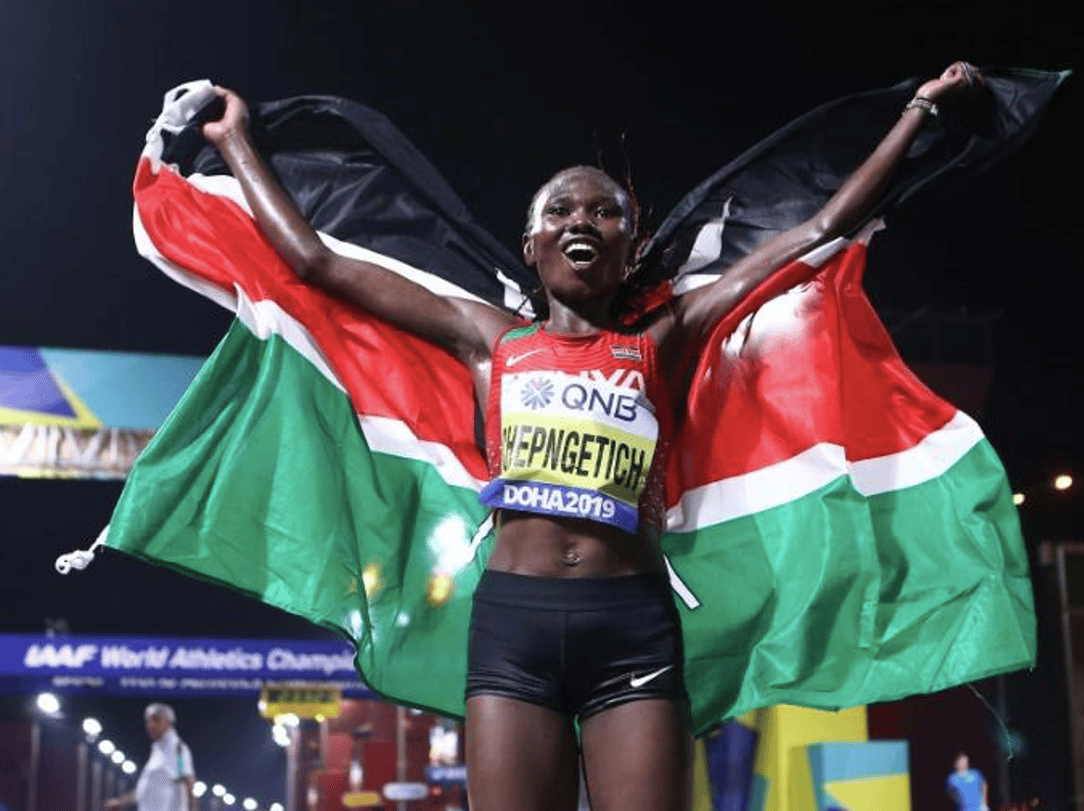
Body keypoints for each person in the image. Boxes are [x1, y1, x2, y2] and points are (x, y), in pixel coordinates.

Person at [200, 61, 984, 811]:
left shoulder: (666, 337)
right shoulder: (489, 340)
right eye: (561, 211)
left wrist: (917, 111)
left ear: (628, 243)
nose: (582, 220)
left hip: (632, 629)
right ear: (531, 243)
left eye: (604, 211)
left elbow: (820, 224)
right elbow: (312, 261)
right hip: (513, 629)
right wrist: (234, 142)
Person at [104, 703, 197, 811]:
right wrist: (121, 802)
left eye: (156, 720)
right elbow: (143, 791)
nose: (151, 725)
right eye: (148, 721)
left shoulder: (177, 748)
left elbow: (188, 782)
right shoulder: (157, 751)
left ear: (169, 722)